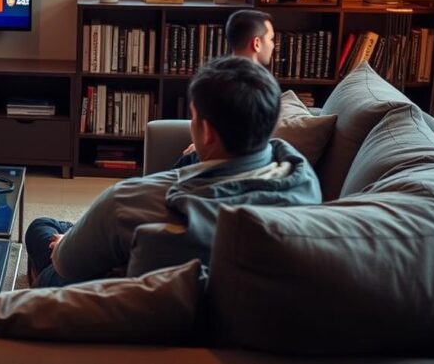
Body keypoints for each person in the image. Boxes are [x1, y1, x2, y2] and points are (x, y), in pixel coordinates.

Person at [25, 56, 321, 288]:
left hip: (105, 289)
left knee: (41, 228)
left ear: (206, 130)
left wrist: (65, 246)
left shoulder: (128, 202)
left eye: (192, 118)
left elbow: (65, 264)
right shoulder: (304, 179)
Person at [172, 9, 276, 167]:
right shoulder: (267, 86)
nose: (273, 45)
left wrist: (205, 147)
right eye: (271, 39)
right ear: (256, 43)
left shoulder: (211, 77)